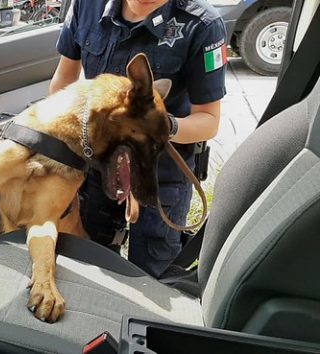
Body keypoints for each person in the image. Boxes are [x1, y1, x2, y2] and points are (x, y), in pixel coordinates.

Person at [49, 0, 227, 277]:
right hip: (97, 167)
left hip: (159, 176)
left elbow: (209, 121)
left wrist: (160, 126)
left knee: (151, 280)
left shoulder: (202, 25)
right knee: (85, 267)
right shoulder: (88, 5)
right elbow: (62, 82)